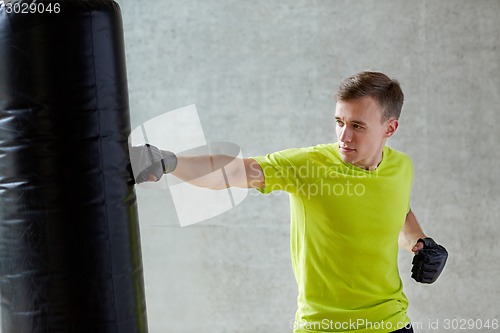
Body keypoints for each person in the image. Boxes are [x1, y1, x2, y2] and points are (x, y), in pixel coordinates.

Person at [130, 71, 447, 333]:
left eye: (357, 126)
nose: (344, 136)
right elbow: (234, 172)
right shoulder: (309, 165)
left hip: (391, 325)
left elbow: (399, 213)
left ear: (389, 128)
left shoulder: (401, 167)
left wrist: (422, 243)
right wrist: (170, 162)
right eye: (339, 122)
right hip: (324, 327)